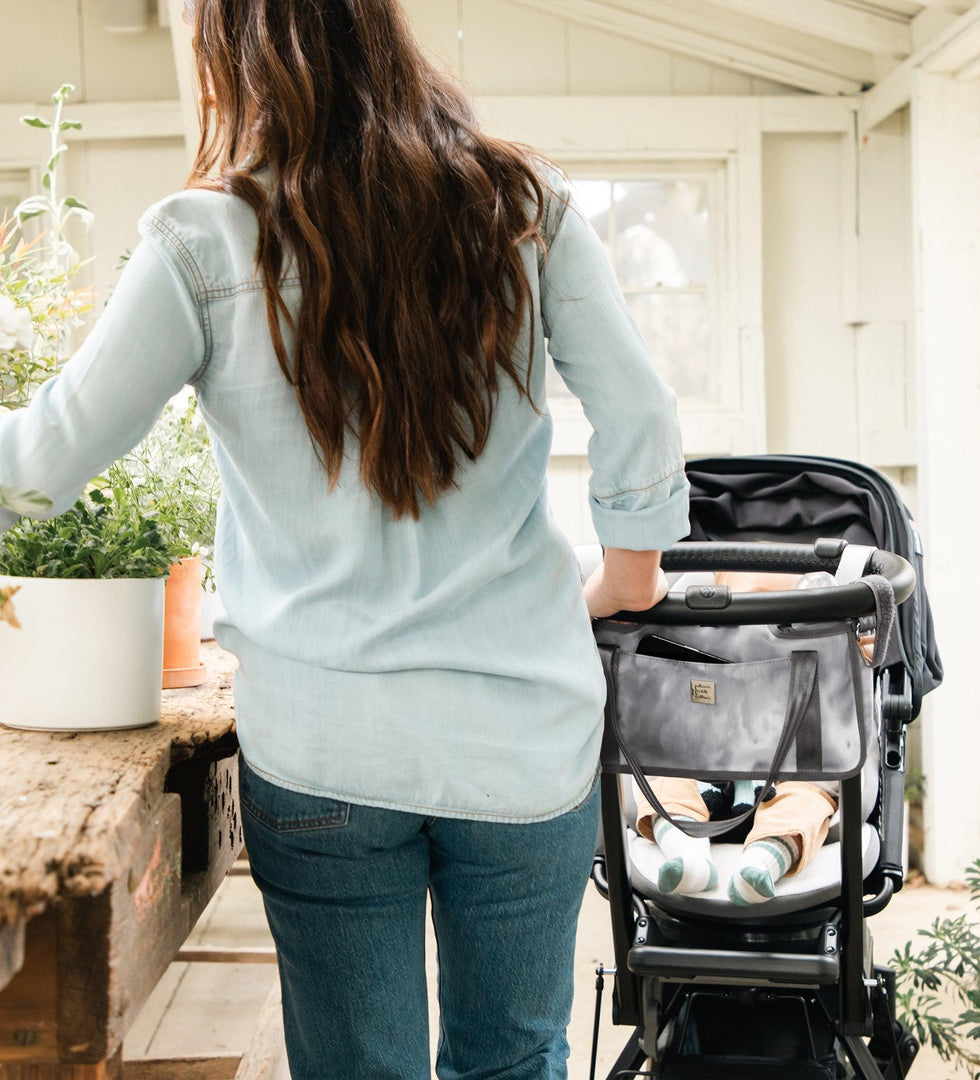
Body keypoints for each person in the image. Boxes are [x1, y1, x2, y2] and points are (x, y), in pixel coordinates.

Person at [0, 2, 688, 1077]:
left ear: (230, 53)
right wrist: (627, 576)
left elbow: (37, 468)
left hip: (326, 752)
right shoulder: (523, 205)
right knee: (513, 1061)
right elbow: (640, 412)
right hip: (524, 738)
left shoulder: (203, 239)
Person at [635, 567, 865, 905]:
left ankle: (763, 861)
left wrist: (861, 655)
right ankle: (688, 856)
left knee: (809, 799)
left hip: (790, 778)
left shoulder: (820, 659)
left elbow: (844, 707)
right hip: (703, 775)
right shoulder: (700, 660)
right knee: (663, 782)